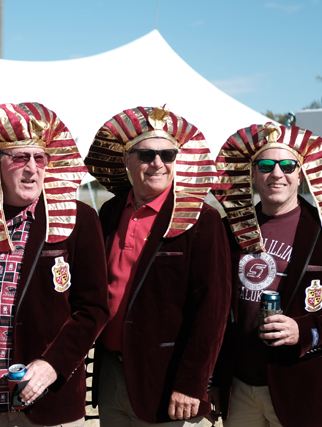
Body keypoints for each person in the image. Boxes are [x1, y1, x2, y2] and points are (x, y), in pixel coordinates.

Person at [0, 102, 109, 427]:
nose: (31, 168)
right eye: (19, 157)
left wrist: (53, 364)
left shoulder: (78, 219)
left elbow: (93, 307)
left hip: (48, 400)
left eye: (40, 158)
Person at [211, 123, 322, 427]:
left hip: (301, 385)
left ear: (301, 173)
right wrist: (215, 382)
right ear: (253, 174)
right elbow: (216, 310)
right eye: (266, 165)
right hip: (239, 385)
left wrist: (305, 330)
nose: (277, 173)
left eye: (287, 165)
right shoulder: (228, 230)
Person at [83, 106, 231, 426]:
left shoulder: (200, 220)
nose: (158, 163)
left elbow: (212, 310)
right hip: (110, 372)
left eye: (168, 154)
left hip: (167, 381)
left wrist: (192, 383)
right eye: (147, 154)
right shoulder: (109, 212)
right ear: (127, 159)